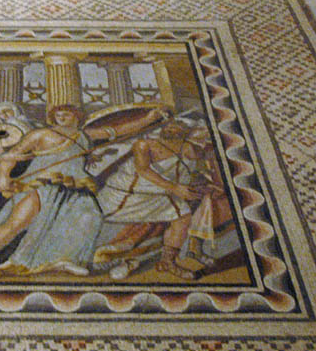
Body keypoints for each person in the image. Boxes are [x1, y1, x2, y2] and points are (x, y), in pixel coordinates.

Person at [0, 104, 166, 280]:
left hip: (77, 187)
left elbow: (118, 131)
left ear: (77, 116)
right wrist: (3, 177)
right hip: (41, 184)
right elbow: (12, 155)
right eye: (58, 115)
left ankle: (64, 259)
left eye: (66, 114)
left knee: (90, 216)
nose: (61, 118)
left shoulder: (84, 135)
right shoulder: (41, 134)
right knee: (16, 223)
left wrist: (149, 119)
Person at [94, 118, 224, 279]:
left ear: (185, 132)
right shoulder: (144, 145)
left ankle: (168, 261)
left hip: (161, 193)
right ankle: (127, 258)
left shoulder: (187, 148)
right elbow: (143, 170)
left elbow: (210, 154)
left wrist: (217, 182)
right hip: (129, 193)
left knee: (183, 216)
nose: (172, 128)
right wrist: (176, 188)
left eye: (177, 127)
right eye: (169, 126)